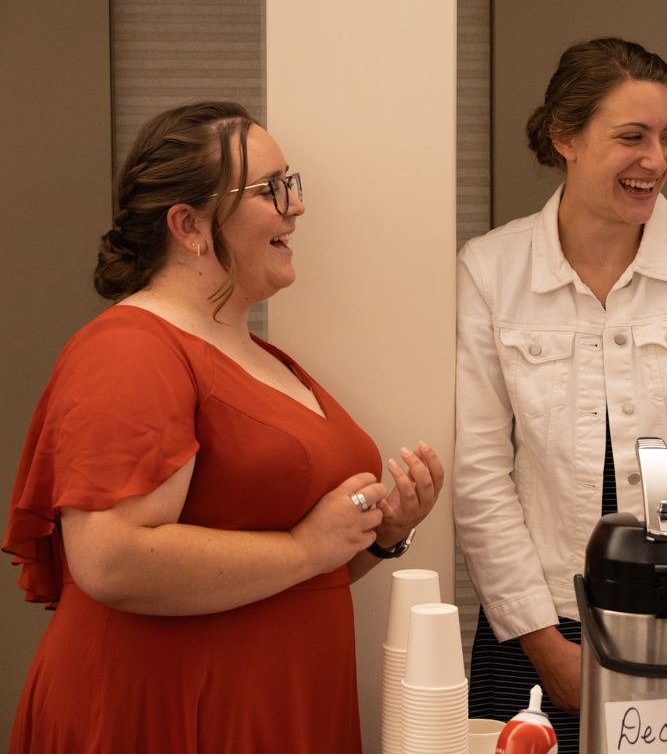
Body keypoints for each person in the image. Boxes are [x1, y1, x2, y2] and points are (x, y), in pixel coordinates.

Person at [3, 101, 444, 754]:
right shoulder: (131, 349)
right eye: (272, 190)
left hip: (276, 707)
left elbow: (287, 567)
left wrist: (380, 536)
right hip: (161, 714)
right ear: (188, 225)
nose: (297, 207)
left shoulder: (258, 356)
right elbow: (112, 560)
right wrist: (304, 548)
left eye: (291, 184)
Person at [454, 38, 667, 753]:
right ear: (565, 137)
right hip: (534, 627)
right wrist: (542, 642)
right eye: (632, 137)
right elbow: (478, 471)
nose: (657, 160)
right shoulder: (491, 269)